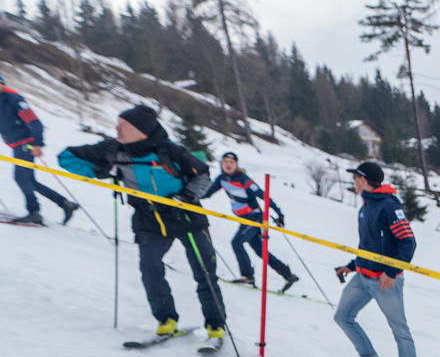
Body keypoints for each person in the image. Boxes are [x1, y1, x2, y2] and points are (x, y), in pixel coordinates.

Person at [58, 104, 227, 344]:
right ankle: (166, 320)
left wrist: (187, 197)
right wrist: (100, 169)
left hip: (185, 218)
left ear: (142, 130)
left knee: (205, 273)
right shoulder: (114, 150)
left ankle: (215, 326)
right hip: (148, 220)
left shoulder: (172, 152)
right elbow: (66, 157)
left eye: (123, 125)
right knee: (150, 270)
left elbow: (202, 176)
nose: (117, 129)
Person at [331, 161, 420, 357]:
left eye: (355, 178)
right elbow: (368, 245)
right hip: (362, 276)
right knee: (343, 316)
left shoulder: (389, 206)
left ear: (363, 179)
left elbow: (408, 242)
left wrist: (391, 272)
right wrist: (351, 266)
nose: (353, 182)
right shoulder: (366, 206)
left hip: (384, 281)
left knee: (399, 328)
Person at [205, 153, 297, 292]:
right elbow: (207, 193)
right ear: (221, 164)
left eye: (231, 162)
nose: (228, 164)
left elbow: (263, 195)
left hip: (254, 218)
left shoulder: (243, 179)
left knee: (236, 242)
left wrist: (279, 213)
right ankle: (288, 275)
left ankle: (247, 276)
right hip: (244, 220)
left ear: (236, 164)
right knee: (260, 251)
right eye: (225, 162)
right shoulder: (221, 179)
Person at [0, 72, 80, 224]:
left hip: (26, 143)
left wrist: (37, 143)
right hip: (16, 144)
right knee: (29, 180)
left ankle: (34, 212)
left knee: (21, 178)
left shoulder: (14, 99)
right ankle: (64, 203)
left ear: (2, 84)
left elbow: (35, 122)